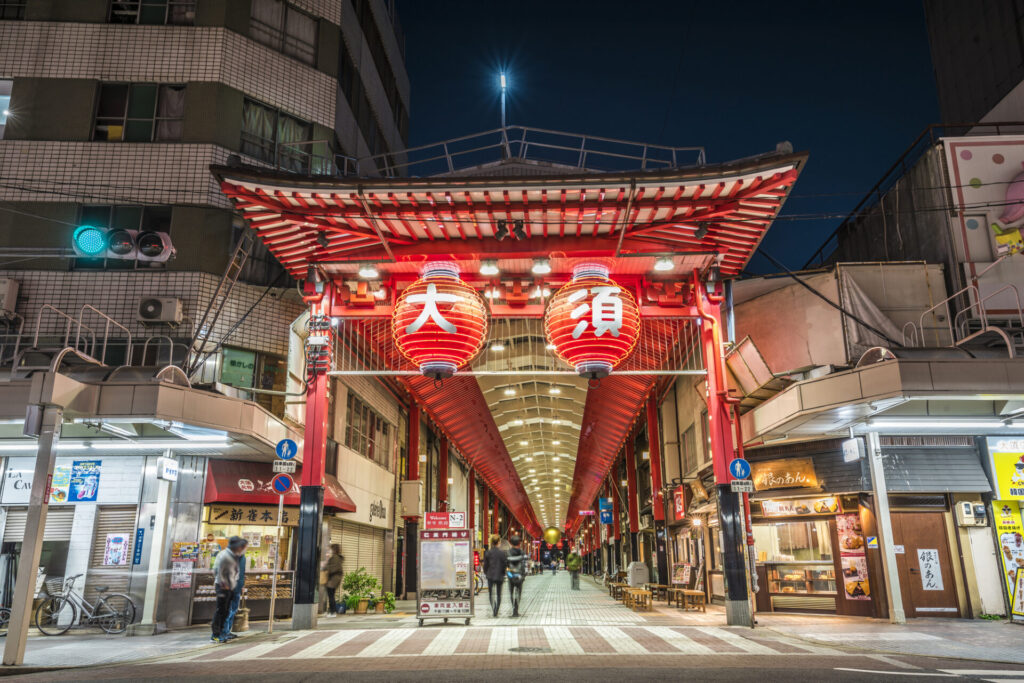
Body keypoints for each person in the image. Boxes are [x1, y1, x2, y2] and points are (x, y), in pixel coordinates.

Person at [211, 536, 248, 643]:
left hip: (231, 586)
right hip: (224, 587)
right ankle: (216, 635)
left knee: (227, 611)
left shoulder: (234, 555)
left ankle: (224, 632)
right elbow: (218, 571)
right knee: (222, 611)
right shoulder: (225, 555)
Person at [482, 534, 507, 617]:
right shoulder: (502, 553)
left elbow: (485, 565)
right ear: (499, 542)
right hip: (499, 576)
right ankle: (496, 610)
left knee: (491, 594)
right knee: (499, 594)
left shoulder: (488, 553)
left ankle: (493, 608)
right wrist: (503, 573)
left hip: (490, 576)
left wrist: (486, 572)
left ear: (492, 542)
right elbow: (504, 565)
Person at [505, 534, 526, 617]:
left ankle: (513, 608)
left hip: (511, 575)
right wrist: (523, 576)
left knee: (511, 592)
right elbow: (524, 565)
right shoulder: (522, 552)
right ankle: (516, 609)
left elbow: (506, 565)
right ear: (519, 543)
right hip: (519, 576)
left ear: (511, 543)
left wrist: (509, 574)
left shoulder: (508, 552)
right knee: (518, 592)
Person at [323, 544, 344, 618]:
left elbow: (333, 568)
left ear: (333, 550)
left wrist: (325, 566)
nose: (329, 551)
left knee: (331, 596)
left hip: (333, 580)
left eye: (330, 549)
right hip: (334, 580)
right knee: (331, 595)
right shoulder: (336, 557)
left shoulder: (335, 557)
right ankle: (331, 611)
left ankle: (333, 612)